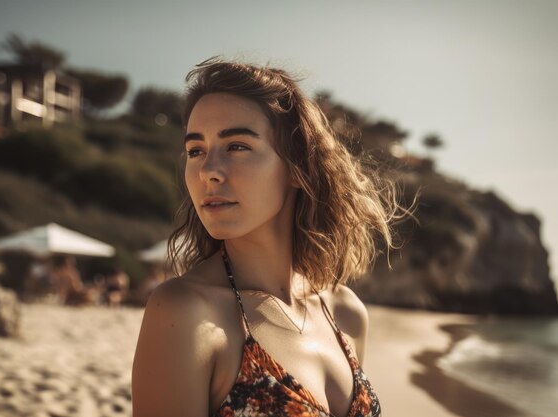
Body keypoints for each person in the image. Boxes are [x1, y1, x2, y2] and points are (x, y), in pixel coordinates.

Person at [132, 57, 400, 417]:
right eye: (195, 150)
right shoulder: (186, 312)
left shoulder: (345, 313)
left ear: (297, 166)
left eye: (237, 146)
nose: (208, 170)